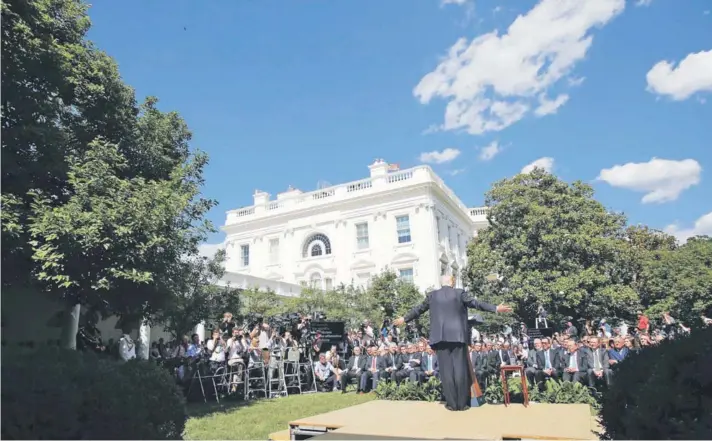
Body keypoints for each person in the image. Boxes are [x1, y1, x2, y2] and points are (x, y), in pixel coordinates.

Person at [394, 275, 512, 411]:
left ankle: (452, 404)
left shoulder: (432, 295)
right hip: (458, 336)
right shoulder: (459, 293)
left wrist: (404, 318)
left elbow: (418, 309)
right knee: (460, 370)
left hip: (440, 338)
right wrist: (495, 308)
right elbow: (476, 303)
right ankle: (462, 405)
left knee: (446, 371)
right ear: (452, 282)